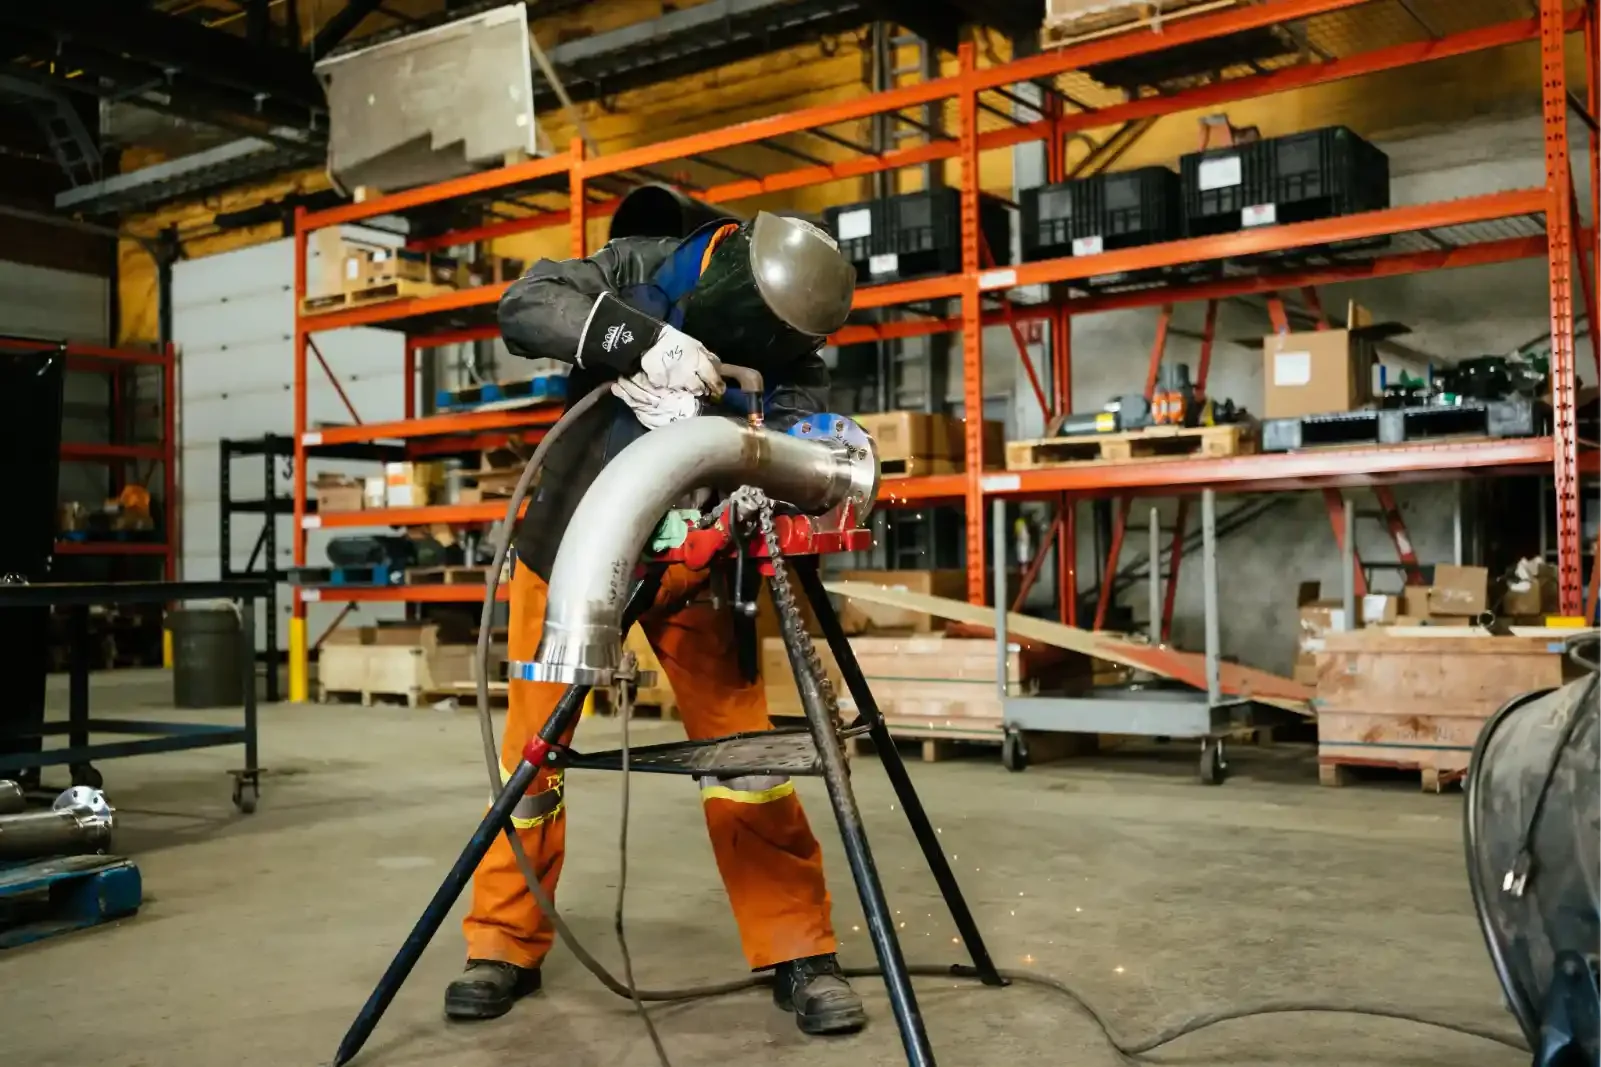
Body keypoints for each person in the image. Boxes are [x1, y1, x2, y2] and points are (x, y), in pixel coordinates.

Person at [447, 211, 866, 1036]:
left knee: (747, 756)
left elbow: (800, 448)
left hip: (696, 562)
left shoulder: (794, 354)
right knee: (533, 761)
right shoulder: (634, 265)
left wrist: (746, 443)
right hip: (571, 551)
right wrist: (634, 342)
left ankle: (797, 948)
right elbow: (526, 305)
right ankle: (502, 941)